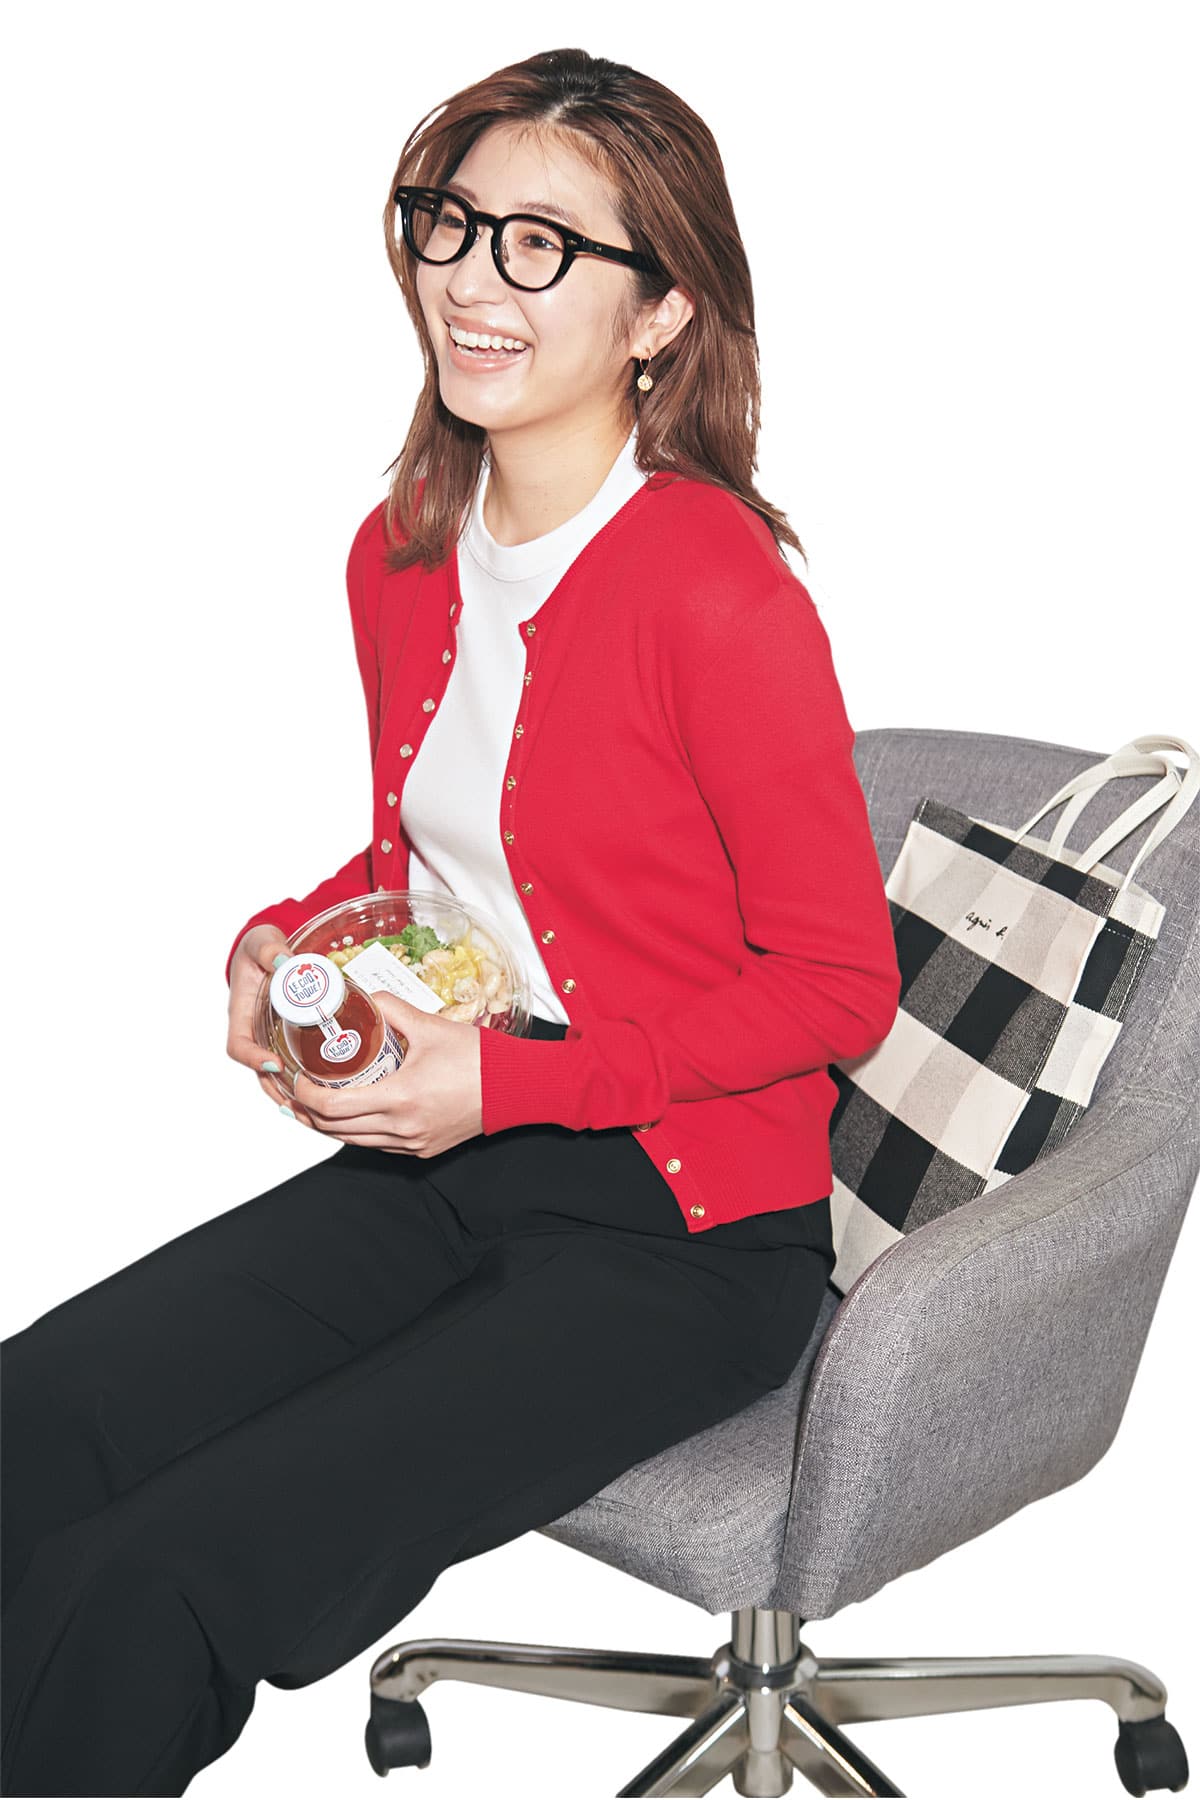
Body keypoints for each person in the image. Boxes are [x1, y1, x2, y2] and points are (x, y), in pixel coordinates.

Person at [0, 46, 901, 1797]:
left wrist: (517, 1087)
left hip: (683, 1236)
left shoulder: (717, 588)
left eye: (546, 245)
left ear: (660, 313)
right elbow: (431, 860)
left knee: (160, 1576)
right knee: (32, 1427)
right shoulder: (407, 546)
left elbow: (835, 985)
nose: (477, 280)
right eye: (454, 223)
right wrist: (283, 936)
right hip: (460, 1167)